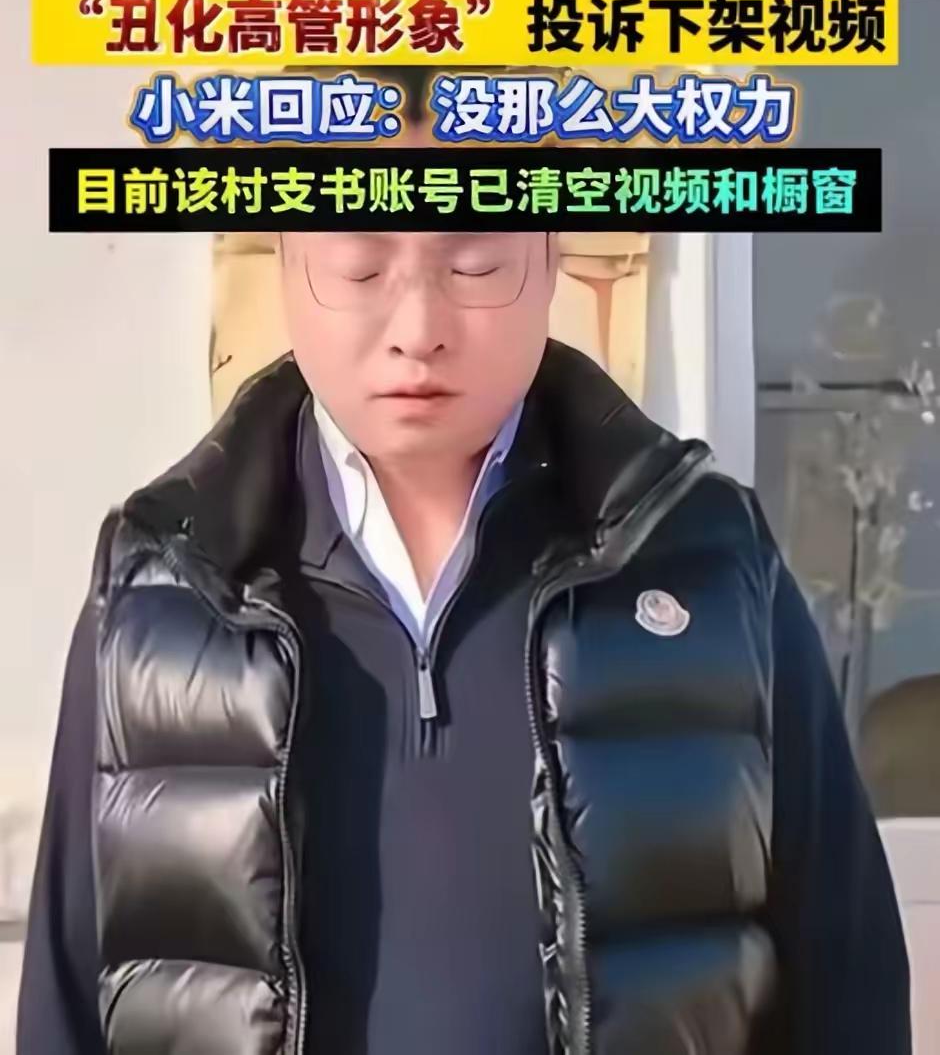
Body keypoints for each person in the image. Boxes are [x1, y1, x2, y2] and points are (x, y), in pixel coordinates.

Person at [18, 231, 910, 1055]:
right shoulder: (163, 586)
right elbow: (66, 1004)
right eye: (361, 267)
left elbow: (849, 983)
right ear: (285, 262)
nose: (419, 332)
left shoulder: (709, 561)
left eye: (475, 265)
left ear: (551, 259)